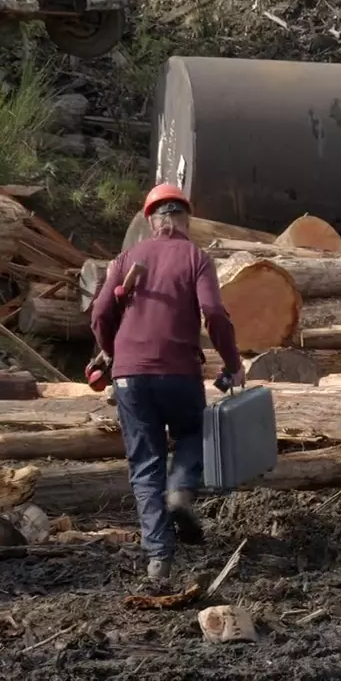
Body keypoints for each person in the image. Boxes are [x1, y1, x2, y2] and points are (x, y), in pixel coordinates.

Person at [90, 184, 245, 582]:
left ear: (151, 222)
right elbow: (214, 312)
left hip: (129, 376)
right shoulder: (196, 257)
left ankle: (159, 558)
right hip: (179, 372)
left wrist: (109, 351)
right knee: (193, 434)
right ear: (186, 220)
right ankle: (179, 491)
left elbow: (101, 313)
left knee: (145, 462)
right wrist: (233, 362)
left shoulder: (126, 259)